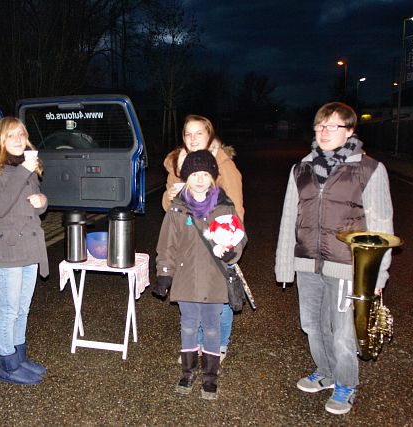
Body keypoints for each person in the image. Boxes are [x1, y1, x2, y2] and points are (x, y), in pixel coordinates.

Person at [275, 102, 394, 415]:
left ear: (350, 131)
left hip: (346, 265)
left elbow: (382, 227)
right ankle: (326, 372)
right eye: (319, 126)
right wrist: (284, 265)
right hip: (306, 262)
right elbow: (289, 218)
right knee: (312, 325)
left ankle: (346, 384)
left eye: (332, 126)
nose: (324, 132)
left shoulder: (369, 169)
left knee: (342, 333)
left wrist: (378, 275)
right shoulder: (301, 168)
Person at [153, 149, 247, 400]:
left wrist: (232, 252)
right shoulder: (177, 209)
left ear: (213, 177)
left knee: (212, 328)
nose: (200, 179)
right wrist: (164, 273)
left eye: (206, 174)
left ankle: (210, 377)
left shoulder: (224, 207)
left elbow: (239, 237)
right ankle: (187, 372)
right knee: (188, 325)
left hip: (214, 279)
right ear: (186, 177)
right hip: (186, 279)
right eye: (194, 174)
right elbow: (167, 244)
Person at [162, 114, 244, 363]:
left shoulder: (223, 165)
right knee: (193, 292)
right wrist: (171, 195)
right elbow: (169, 209)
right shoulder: (179, 163)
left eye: (199, 133)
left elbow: (236, 208)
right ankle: (196, 344)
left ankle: (218, 344)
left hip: (219, 241)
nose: (193, 138)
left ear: (209, 135)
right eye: (188, 133)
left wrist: (232, 243)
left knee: (219, 295)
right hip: (190, 242)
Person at [0, 116, 49, 385]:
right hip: (7, 250)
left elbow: (33, 206)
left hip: (30, 246)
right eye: (11, 135)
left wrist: (42, 201)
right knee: (8, 310)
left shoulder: (27, 166)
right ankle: (7, 365)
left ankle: (20, 358)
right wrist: (23, 172)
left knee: (23, 308)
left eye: (21, 134)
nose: (18, 139)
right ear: (0, 140)